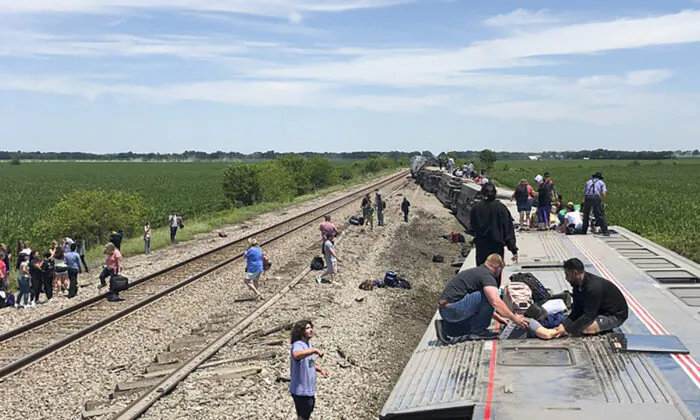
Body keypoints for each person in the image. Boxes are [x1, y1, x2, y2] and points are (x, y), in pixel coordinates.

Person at [436, 254, 529, 342]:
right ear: (497, 266)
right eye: (501, 269)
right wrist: (514, 318)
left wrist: (498, 317)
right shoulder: (487, 275)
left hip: (446, 310)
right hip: (453, 309)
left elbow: (478, 304)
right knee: (492, 294)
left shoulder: (478, 272)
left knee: (485, 299)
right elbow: (495, 302)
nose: (500, 273)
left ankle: (446, 327)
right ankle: (479, 331)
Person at [535, 258, 629, 339]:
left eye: (567, 275)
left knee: (585, 329)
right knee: (574, 324)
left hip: (614, 315)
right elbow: (576, 310)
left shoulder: (593, 288)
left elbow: (588, 316)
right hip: (598, 311)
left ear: (575, 273)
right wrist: (564, 325)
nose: (566, 278)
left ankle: (603, 327)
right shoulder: (577, 286)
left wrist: (567, 330)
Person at [469, 183, 518, 266]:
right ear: (495, 193)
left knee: (482, 273)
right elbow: (508, 230)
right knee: (495, 272)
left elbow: (472, 227)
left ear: (482, 193)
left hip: (481, 246)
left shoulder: (476, 208)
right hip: (497, 247)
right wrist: (513, 249)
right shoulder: (501, 208)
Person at [289, 320, 328, 420]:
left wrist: (320, 370)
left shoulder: (307, 345)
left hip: (308, 389)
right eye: (307, 328)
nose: (311, 330)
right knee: (303, 415)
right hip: (300, 390)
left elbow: (309, 362)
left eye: (311, 328)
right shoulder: (298, 344)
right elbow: (296, 355)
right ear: (301, 331)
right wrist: (314, 350)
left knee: (308, 411)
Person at [582, 172, 609, 236]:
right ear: (600, 178)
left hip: (587, 197)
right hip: (596, 197)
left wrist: (584, 201)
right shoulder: (601, 182)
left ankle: (584, 230)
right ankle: (605, 231)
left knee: (586, 215)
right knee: (599, 214)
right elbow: (604, 193)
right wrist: (604, 202)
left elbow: (584, 192)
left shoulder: (588, 182)